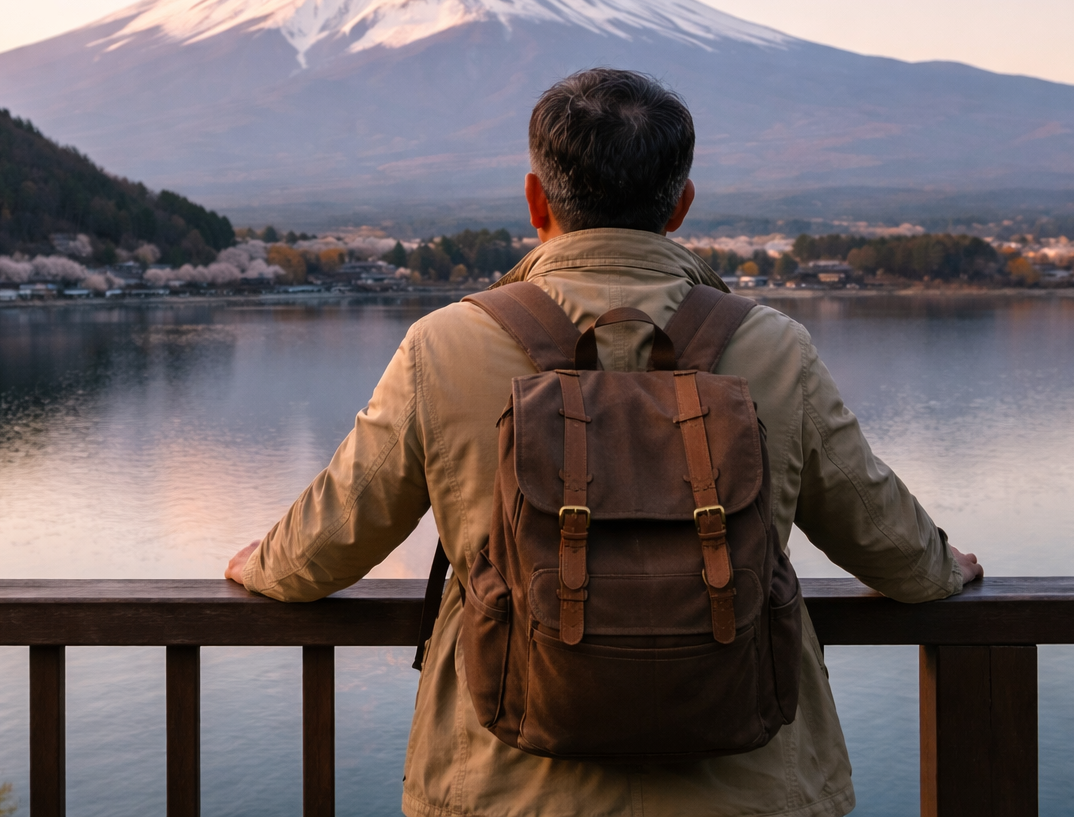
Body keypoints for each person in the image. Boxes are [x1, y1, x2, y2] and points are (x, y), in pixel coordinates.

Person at [225, 68, 982, 817]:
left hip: (505, 787)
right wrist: (944, 565)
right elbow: (891, 545)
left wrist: (260, 564)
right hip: (748, 788)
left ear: (535, 201)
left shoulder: (446, 346)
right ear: (681, 205)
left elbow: (320, 550)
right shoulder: (771, 348)